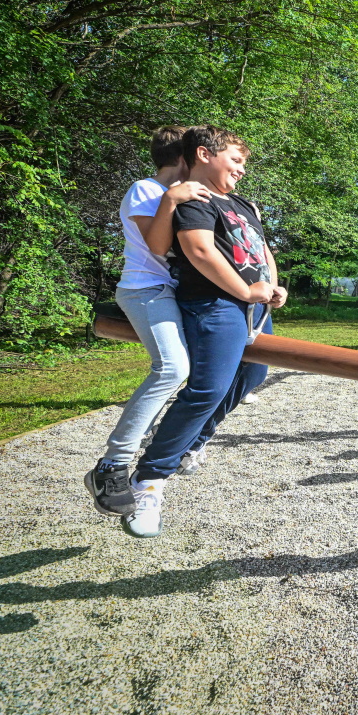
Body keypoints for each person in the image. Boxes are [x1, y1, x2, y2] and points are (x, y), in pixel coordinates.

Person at [123, 125, 287, 537]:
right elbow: (198, 250)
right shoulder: (195, 198)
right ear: (203, 154)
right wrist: (246, 290)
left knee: (253, 374)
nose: (242, 169)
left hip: (252, 307)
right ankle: (147, 480)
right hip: (215, 303)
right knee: (208, 388)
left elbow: (262, 249)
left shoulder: (242, 202)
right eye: (236, 159)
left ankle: (191, 441)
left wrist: (273, 287)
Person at [83, 126, 210, 517]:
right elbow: (163, 243)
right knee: (172, 368)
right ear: (185, 157)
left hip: (172, 291)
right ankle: (112, 465)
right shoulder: (145, 189)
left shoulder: (184, 192)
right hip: (145, 288)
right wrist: (174, 199)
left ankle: (176, 438)